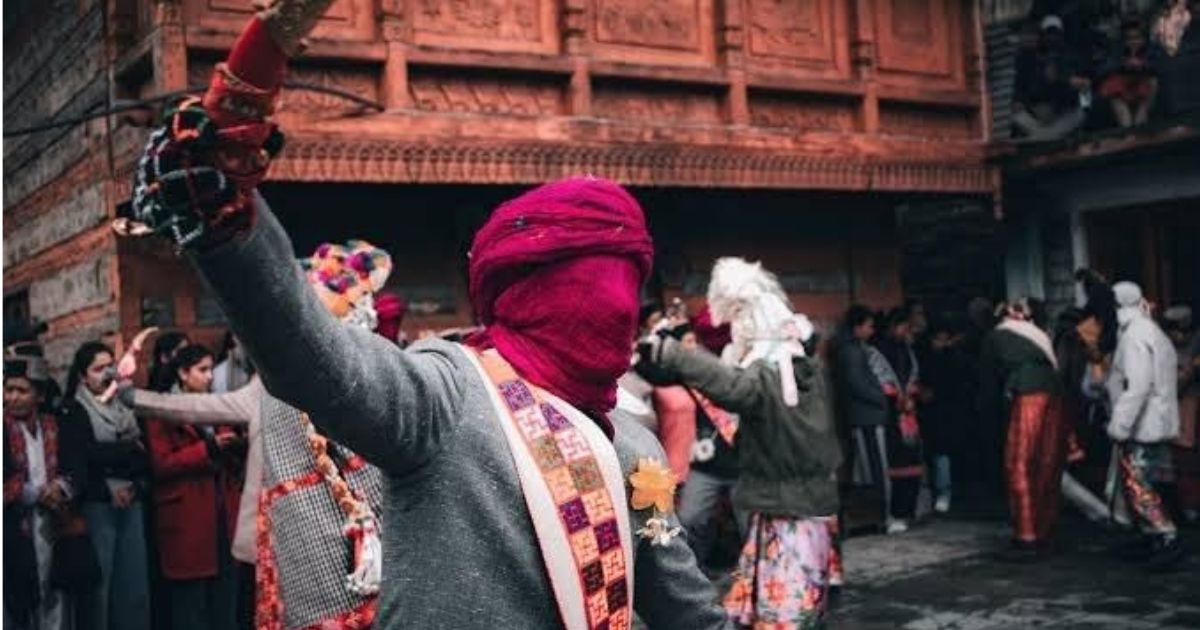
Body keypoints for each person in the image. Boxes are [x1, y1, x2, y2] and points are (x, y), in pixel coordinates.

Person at [131, 78, 730, 630]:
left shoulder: (634, 446)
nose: (616, 315)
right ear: (533, 296)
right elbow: (309, 355)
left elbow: (683, 605)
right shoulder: (449, 397)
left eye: (625, 296)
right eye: (594, 295)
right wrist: (230, 223)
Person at [637, 257, 841, 628]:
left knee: (787, 612)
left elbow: (734, 387)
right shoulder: (798, 371)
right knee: (790, 607)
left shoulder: (778, 375)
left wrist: (670, 352)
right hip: (790, 506)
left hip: (791, 512)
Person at [145, 345, 244, 630]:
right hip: (187, 514)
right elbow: (161, 463)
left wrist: (236, 446)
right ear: (183, 373)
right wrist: (207, 449)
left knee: (225, 602)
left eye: (211, 369)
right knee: (190, 607)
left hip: (222, 512)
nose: (210, 376)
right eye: (202, 370)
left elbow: (228, 440)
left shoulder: (213, 405)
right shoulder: (162, 409)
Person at [60, 342, 152, 630]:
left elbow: (143, 455)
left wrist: (122, 464)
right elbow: (82, 460)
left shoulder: (124, 406)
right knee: (101, 590)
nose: (107, 373)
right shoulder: (74, 410)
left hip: (131, 498)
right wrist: (123, 452)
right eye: (98, 369)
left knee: (133, 585)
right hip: (98, 504)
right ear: (83, 376)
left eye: (110, 366)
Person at [4, 347, 92, 630]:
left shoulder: (54, 425)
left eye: (21, 390)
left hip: (52, 524)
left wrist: (61, 488)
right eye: (8, 390)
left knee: (54, 598)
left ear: (39, 395)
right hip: (13, 528)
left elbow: (76, 466)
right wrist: (29, 492)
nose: (12, 397)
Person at [979, 299, 1066, 559]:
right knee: (1048, 463)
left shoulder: (996, 336)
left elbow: (987, 381)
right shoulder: (1040, 335)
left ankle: (1026, 535)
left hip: (1026, 396)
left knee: (1020, 464)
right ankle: (1046, 531)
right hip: (1055, 395)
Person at [1106, 282, 1182, 569]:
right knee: (1152, 479)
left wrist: (1120, 425)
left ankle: (1166, 535)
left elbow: (1137, 386)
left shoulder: (1134, 336)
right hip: (1157, 418)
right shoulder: (1151, 331)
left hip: (1142, 422)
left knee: (1137, 483)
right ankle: (1152, 537)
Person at [836, 305, 894, 530]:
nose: (871, 331)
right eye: (868, 326)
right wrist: (881, 398)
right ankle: (882, 517)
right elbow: (857, 384)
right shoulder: (852, 352)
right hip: (866, 417)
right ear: (857, 327)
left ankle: (878, 516)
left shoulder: (852, 349)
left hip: (864, 416)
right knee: (875, 470)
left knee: (869, 470)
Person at [919, 315, 973, 514]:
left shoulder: (954, 358)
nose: (940, 343)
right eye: (937, 339)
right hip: (931, 412)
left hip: (946, 412)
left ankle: (944, 492)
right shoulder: (924, 356)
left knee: (942, 454)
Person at [1013, 15, 1088, 140]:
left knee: (1079, 115)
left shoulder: (1069, 56)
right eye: (1048, 33)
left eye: (1055, 33)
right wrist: (1020, 101)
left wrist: (1069, 82)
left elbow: (1081, 88)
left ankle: (1044, 138)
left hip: (1064, 112)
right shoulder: (1026, 61)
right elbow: (1022, 88)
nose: (1052, 37)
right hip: (1037, 113)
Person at [1163, 305, 1200, 523]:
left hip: (1189, 407)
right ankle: (1188, 506)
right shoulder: (1165, 349)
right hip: (1180, 410)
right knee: (1183, 462)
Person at [1098, 18, 1160, 128]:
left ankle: (1139, 125)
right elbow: (1104, 69)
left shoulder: (1151, 49)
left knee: (1152, 83)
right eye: (1129, 39)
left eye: (1137, 38)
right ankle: (1127, 128)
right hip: (1123, 91)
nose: (1133, 42)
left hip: (1143, 89)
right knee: (1112, 86)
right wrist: (1124, 64)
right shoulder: (1117, 51)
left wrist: (1142, 65)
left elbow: (1158, 66)